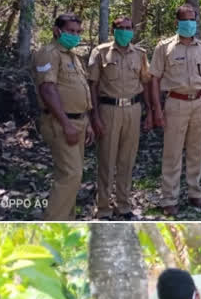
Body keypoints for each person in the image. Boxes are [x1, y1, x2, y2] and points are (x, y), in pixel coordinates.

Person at [149, 3, 201, 217]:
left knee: (196, 151)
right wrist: (157, 110)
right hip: (175, 103)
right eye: (186, 20)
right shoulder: (164, 47)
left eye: (193, 19)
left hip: (198, 102)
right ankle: (169, 198)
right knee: (173, 152)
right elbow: (155, 79)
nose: (190, 23)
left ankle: (195, 193)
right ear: (178, 22)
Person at [87, 17, 153, 220]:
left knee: (127, 159)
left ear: (133, 30)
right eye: (120, 28)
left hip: (133, 109)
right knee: (106, 159)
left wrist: (150, 111)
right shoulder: (100, 52)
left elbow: (147, 83)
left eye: (128, 27)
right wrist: (94, 117)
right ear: (114, 30)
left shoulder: (140, 54)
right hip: (109, 110)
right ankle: (104, 208)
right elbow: (92, 86)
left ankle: (123, 205)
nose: (125, 31)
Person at [32, 13, 94, 220]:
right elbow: (48, 90)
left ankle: (67, 221)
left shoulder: (73, 56)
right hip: (60, 122)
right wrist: (66, 124)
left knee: (69, 176)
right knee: (71, 175)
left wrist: (88, 122)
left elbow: (81, 90)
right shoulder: (49, 53)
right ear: (57, 31)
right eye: (70, 31)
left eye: (78, 32)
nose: (75, 35)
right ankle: (52, 223)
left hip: (79, 121)